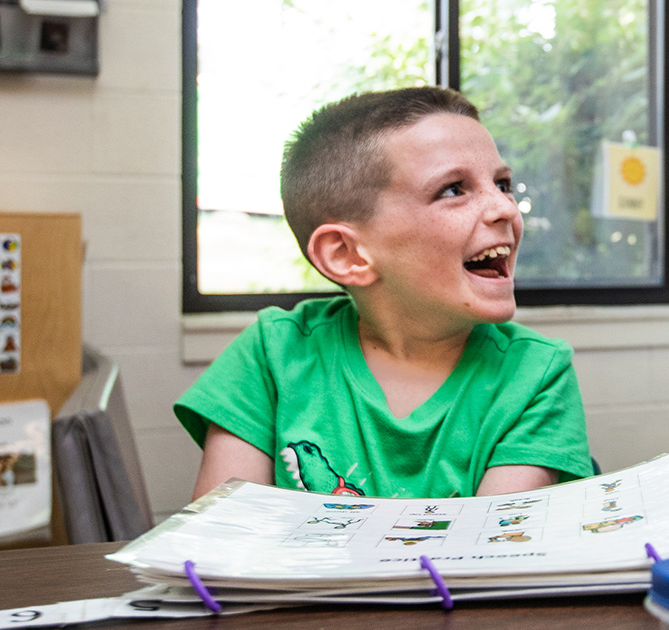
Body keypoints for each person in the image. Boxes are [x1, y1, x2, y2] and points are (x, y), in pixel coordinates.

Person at [177, 87, 594, 498]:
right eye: (453, 190)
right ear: (346, 254)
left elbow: (488, 555)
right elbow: (225, 542)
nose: (505, 207)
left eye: (502, 184)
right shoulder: (271, 355)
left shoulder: (536, 374)